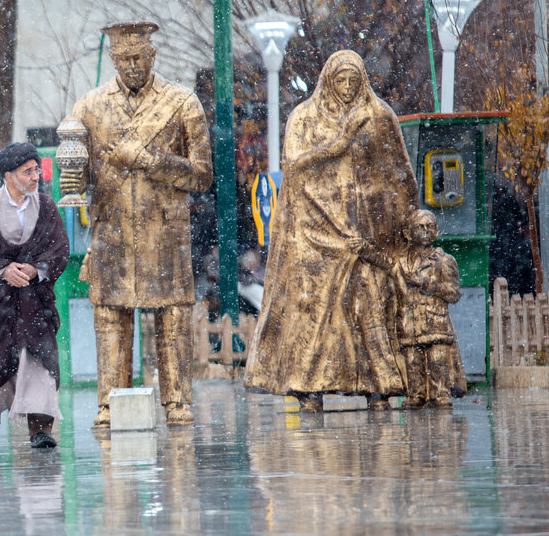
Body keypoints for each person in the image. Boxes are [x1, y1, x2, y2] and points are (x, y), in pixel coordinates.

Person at [243, 50, 417, 412]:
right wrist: (335, 147)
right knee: (315, 307)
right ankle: (310, 385)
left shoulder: (379, 116)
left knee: (369, 304)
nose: (348, 87)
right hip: (314, 229)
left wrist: (405, 225)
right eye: (341, 80)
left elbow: (400, 174)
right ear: (327, 80)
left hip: (366, 231)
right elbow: (292, 166)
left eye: (355, 80)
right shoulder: (304, 117)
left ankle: (379, 385)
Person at [59, 21, 213, 428]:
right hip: (112, 231)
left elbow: (202, 176)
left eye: (139, 57)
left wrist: (149, 160)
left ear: (153, 56)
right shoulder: (90, 107)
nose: (132, 66)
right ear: (113, 59)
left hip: (166, 234)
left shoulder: (181, 103)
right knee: (110, 319)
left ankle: (178, 400)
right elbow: (81, 172)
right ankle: (110, 402)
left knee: (174, 319)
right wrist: (73, 178)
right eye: (124, 59)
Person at [0, 143, 70, 448]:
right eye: (28, 171)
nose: (36, 177)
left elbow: (60, 249)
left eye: (37, 170)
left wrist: (37, 270)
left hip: (36, 303)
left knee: (40, 360)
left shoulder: (46, 207)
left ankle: (41, 429)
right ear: (8, 176)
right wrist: (3, 270)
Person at [395, 210, 466, 408]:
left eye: (430, 226)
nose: (426, 231)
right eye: (420, 226)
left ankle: (441, 396)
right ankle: (416, 396)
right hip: (411, 324)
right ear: (409, 232)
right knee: (412, 364)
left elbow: (453, 294)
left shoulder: (444, 261)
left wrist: (427, 284)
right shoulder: (401, 263)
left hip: (435, 323)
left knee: (437, 364)